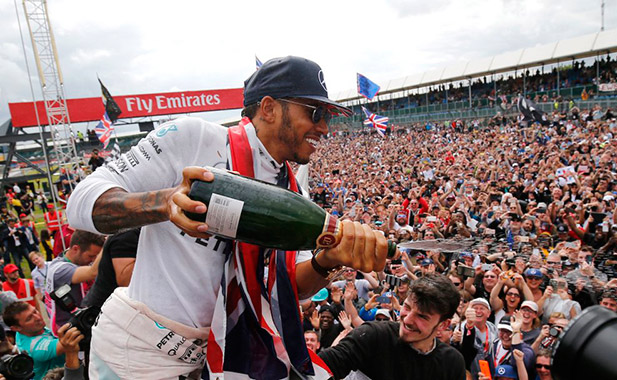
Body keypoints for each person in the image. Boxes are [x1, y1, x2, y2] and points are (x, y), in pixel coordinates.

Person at [65, 56, 389, 379]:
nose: (324, 127)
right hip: (139, 355)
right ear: (269, 108)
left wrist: (328, 259)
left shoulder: (292, 189)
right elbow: (79, 203)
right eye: (315, 113)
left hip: (214, 359)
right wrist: (164, 203)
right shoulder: (194, 138)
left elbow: (294, 286)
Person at [318, 273, 465, 380]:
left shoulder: (451, 362)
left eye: (422, 316)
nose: (407, 320)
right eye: (406, 307)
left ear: (443, 325)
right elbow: (315, 371)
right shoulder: (373, 335)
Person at [2, 301, 84, 380]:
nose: (38, 317)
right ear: (16, 328)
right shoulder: (36, 348)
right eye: (29, 318)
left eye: (35, 311)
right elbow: (68, 342)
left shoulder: (25, 331)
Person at [42, 230, 104, 332]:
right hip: (71, 329)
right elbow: (93, 272)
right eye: (91, 256)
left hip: (80, 321)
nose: (93, 260)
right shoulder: (61, 270)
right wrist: (109, 243)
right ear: (75, 249)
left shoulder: (68, 256)